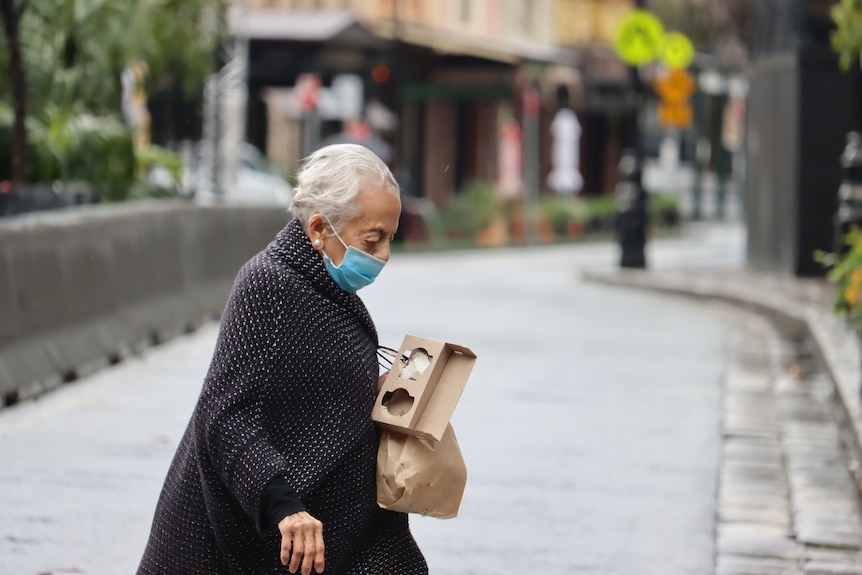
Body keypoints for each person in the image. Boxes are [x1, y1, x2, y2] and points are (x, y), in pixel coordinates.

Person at [136, 144, 428, 575]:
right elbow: (225, 417)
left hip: (347, 533)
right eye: (373, 239)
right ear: (317, 228)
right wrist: (284, 506)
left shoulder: (332, 294)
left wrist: (377, 391)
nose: (383, 254)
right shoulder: (268, 286)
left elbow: (308, 390)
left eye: (389, 238)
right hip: (256, 536)